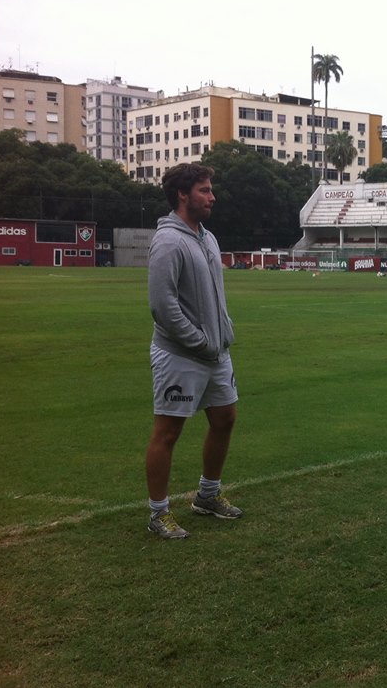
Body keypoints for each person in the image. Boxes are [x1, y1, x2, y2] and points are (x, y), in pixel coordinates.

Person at [145, 162, 242, 539]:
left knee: (225, 419)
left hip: (216, 352)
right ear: (182, 195)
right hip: (181, 354)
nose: (212, 196)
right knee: (167, 433)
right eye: (204, 190)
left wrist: (221, 333)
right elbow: (162, 305)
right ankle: (158, 513)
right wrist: (199, 340)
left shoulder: (207, 237)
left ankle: (207, 495)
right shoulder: (168, 241)